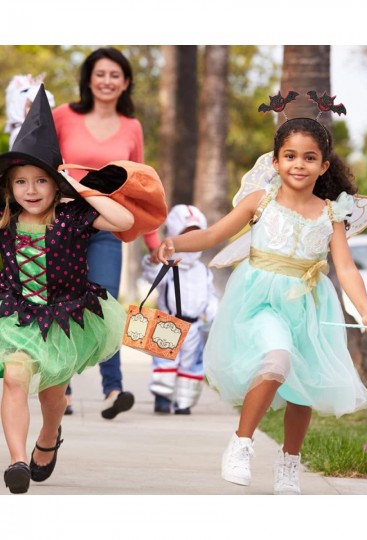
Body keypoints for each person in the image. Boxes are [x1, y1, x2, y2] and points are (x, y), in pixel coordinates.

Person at [157, 97, 367, 495]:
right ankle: (241, 443)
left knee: (304, 387)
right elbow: (213, 235)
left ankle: (289, 464)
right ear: (276, 162)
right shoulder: (260, 201)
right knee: (277, 359)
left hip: (308, 304)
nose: (299, 164)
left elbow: (346, 268)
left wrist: (366, 310)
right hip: (260, 298)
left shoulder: (332, 212)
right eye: (290, 156)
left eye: (310, 157)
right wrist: (174, 243)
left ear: (324, 166)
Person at [0, 85, 135, 494]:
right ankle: (18, 460)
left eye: (41, 180)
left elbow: (124, 220)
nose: (31, 190)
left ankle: (49, 436)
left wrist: (79, 186)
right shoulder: (5, 220)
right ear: (9, 187)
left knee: (53, 395)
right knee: (14, 377)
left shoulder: (73, 215)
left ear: (56, 183)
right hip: (17, 315)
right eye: (21, 181)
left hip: (64, 316)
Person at [53, 47, 160, 419]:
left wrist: (154, 244)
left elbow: (141, 186)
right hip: (63, 224)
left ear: (126, 82)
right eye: (100, 74)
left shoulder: (132, 127)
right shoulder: (62, 116)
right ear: (88, 78)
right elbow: (41, 163)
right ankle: (60, 390)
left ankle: (113, 389)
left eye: (115, 75)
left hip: (107, 226)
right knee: (62, 301)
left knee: (104, 305)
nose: (107, 81)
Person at [142, 205, 218, 415]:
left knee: (190, 365)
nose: (190, 240)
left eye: (196, 235)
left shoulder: (202, 270)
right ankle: (163, 398)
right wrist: (152, 262)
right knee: (165, 363)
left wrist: (214, 314)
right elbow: (152, 277)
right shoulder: (167, 264)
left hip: (195, 324)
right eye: (185, 235)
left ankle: (185, 402)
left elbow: (209, 294)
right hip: (168, 321)